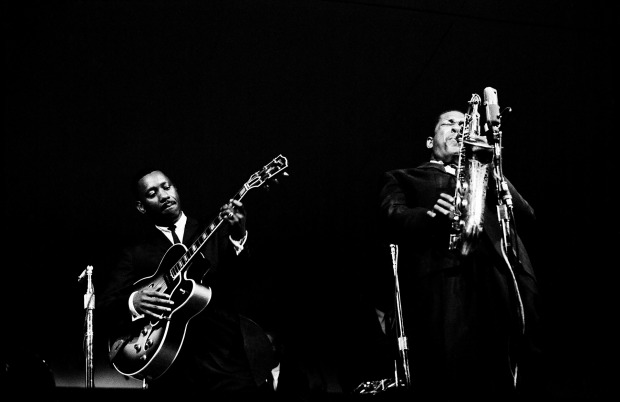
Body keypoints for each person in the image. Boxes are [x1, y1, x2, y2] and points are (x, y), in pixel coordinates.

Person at [377, 110, 543, 400]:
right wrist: (430, 215)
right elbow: (393, 216)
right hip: (445, 276)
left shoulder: (489, 175)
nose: (458, 129)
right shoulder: (403, 177)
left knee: (508, 368)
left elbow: (526, 215)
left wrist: (491, 167)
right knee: (453, 370)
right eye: (449, 124)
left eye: (463, 125)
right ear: (430, 141)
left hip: (500, 275)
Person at [97, 167, 277, 398]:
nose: (163, 195)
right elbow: (104, 307)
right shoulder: (135, 253)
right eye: (152, 193)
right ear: (141, 206)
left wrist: (238, 237)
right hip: (170, 371)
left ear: (176, 189)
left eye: (166, 187)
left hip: (224, 363)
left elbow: (244, 281)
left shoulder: (214, 230)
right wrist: (135, 301)